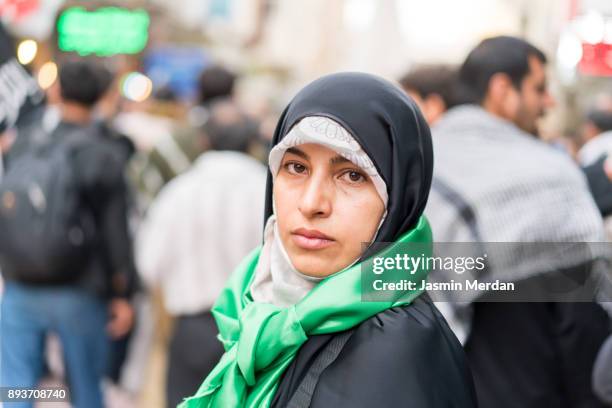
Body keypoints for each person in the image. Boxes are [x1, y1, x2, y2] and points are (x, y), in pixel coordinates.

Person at [179, 72, 477, 407]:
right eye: (296, 167)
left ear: (398, 201)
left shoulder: (393, 352)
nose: (311, 203)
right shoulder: (255, 308)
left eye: (352, 175)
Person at [425, 36, 611, 407]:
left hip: (445, 386)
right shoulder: (550, 175)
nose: (549, 102)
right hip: (538, 387)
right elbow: (581, 318)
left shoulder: (426, 161)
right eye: (539, 89)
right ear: (502, 89)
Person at [0, 60, 136, 408]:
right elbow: (115, 230)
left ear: (56, 90)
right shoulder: (104, 152)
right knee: (86, 389)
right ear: (104, 97)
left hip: (20, 284)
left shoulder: (26, 142)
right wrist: (122, 292)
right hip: (80, 288)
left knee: (14, 388)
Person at [137, 100, 266, 408]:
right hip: (254, 331)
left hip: (192, 328)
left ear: (203, 141)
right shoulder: (267, 188)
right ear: (250, 142)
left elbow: (148, 264)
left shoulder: (179, 190)